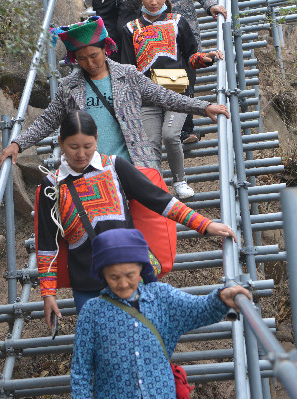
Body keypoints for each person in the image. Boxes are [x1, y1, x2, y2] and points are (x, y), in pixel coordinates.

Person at [35, 110, 236, 315]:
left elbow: (159, 199)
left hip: (131, 279)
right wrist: (48, 293)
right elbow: (46, 243)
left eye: (87, 146)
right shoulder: (52, 186)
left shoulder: (114, 167)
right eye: (73, 147)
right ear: (61, 143)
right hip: (87, 285)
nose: (81, 154)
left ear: (96, 139)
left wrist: (204, 224)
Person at [71, 228, 251, 399]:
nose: (123, 283)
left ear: (141, 267)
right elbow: (80, 369)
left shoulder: (161, 297)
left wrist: (221, 298)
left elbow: (199, 309)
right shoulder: (92, 312)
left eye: (130, 275)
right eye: (114, 277)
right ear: (102, 274)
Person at [0, 15, 230, 173]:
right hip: (90, 170)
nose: (89, 63)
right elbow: (47, 120)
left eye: (94, 56)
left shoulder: (128, 75)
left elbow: (164, 96)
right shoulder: (69, 86)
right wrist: (18, 144)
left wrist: (203, 107)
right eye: (82, 59)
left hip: (133, 166)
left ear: (105, 48)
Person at [122, 0, 228, 143]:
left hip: (182, 30)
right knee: (159, 80)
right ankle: (166, 126)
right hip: (152, 38)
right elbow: (129, 4)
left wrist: (210, 5)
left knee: (187, 75)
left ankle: (185, 130)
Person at [122, 0, 222, 199]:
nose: (154, 2)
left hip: (177, 92)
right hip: (146, 97)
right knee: (151, 144)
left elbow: (191, 57)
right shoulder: (130, 29)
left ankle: (179, 180)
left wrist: (206, 58)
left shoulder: (178, 22)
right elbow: (128, 68)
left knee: (170, 135)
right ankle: (156, 189)